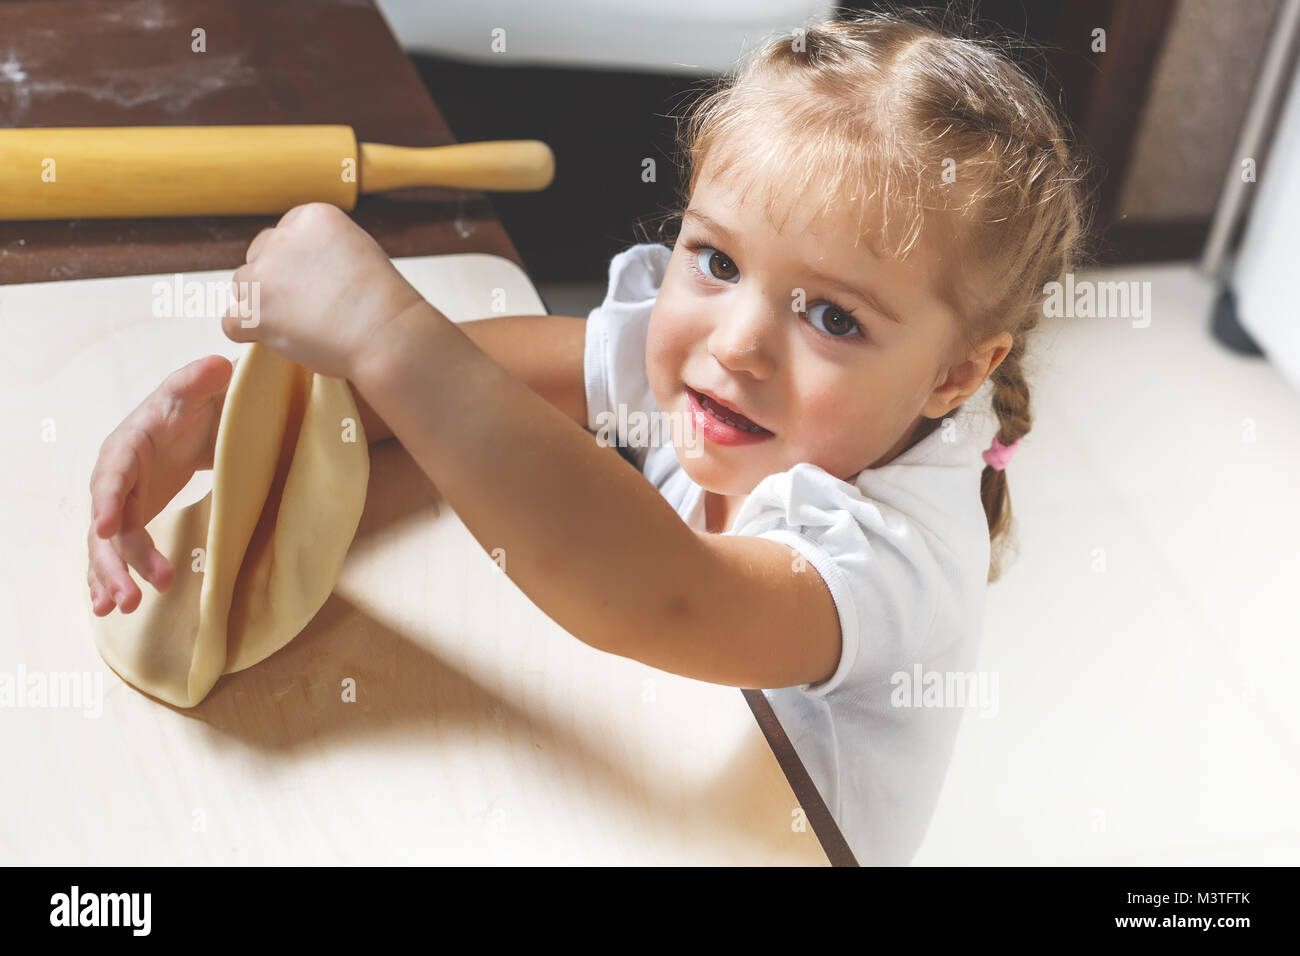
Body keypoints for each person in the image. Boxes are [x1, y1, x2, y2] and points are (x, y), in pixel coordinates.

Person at [86, 10, 1092, 864]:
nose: (734, 343)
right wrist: (237, 419)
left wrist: (383, 329)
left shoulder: (892, 560)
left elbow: (662, 597)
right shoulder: (713, 373)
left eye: (832, 318)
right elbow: (487, 380)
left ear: (957, 372)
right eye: (715, 258)